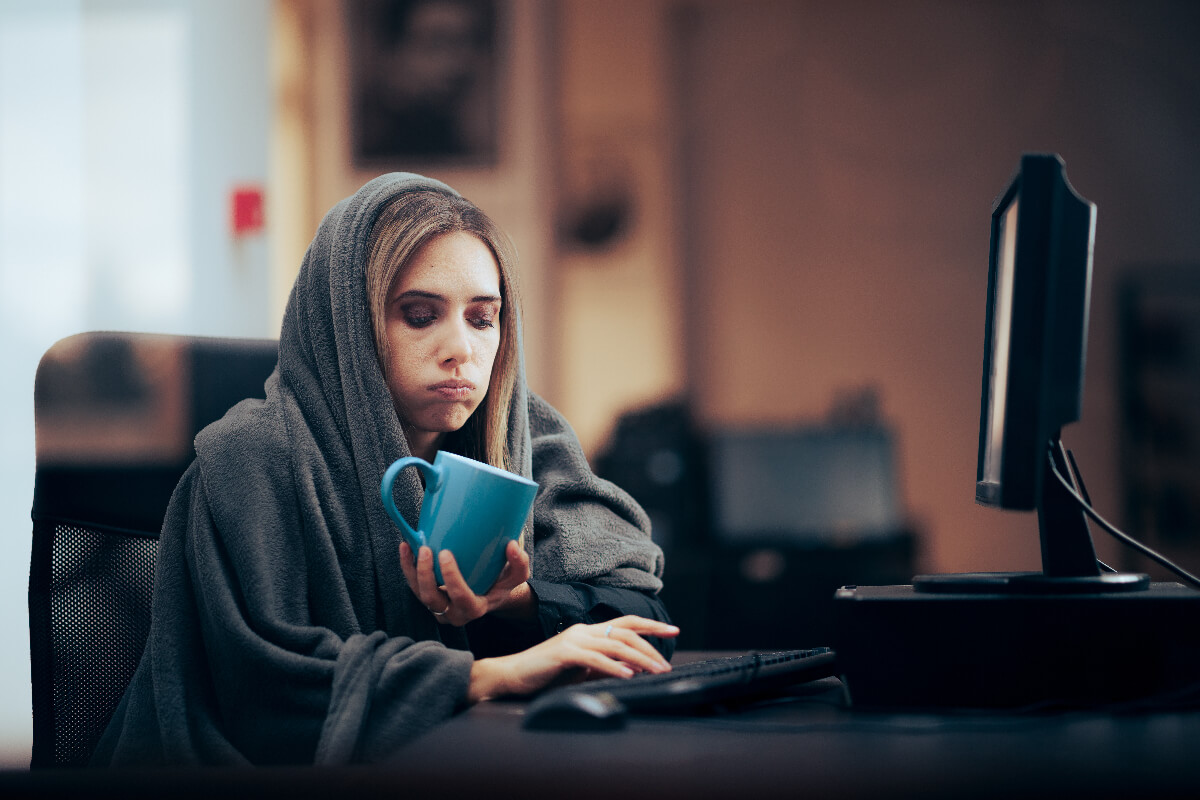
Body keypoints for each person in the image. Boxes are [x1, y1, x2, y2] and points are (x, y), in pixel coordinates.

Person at [92, 173, 677, 766]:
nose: (462, 350)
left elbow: (643, 620)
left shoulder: (529, 438)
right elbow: (262, 690)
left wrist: (515, 599)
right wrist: (487, 676)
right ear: (348, 325)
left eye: (482, 318)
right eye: (420, 315)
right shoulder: (253, 457)